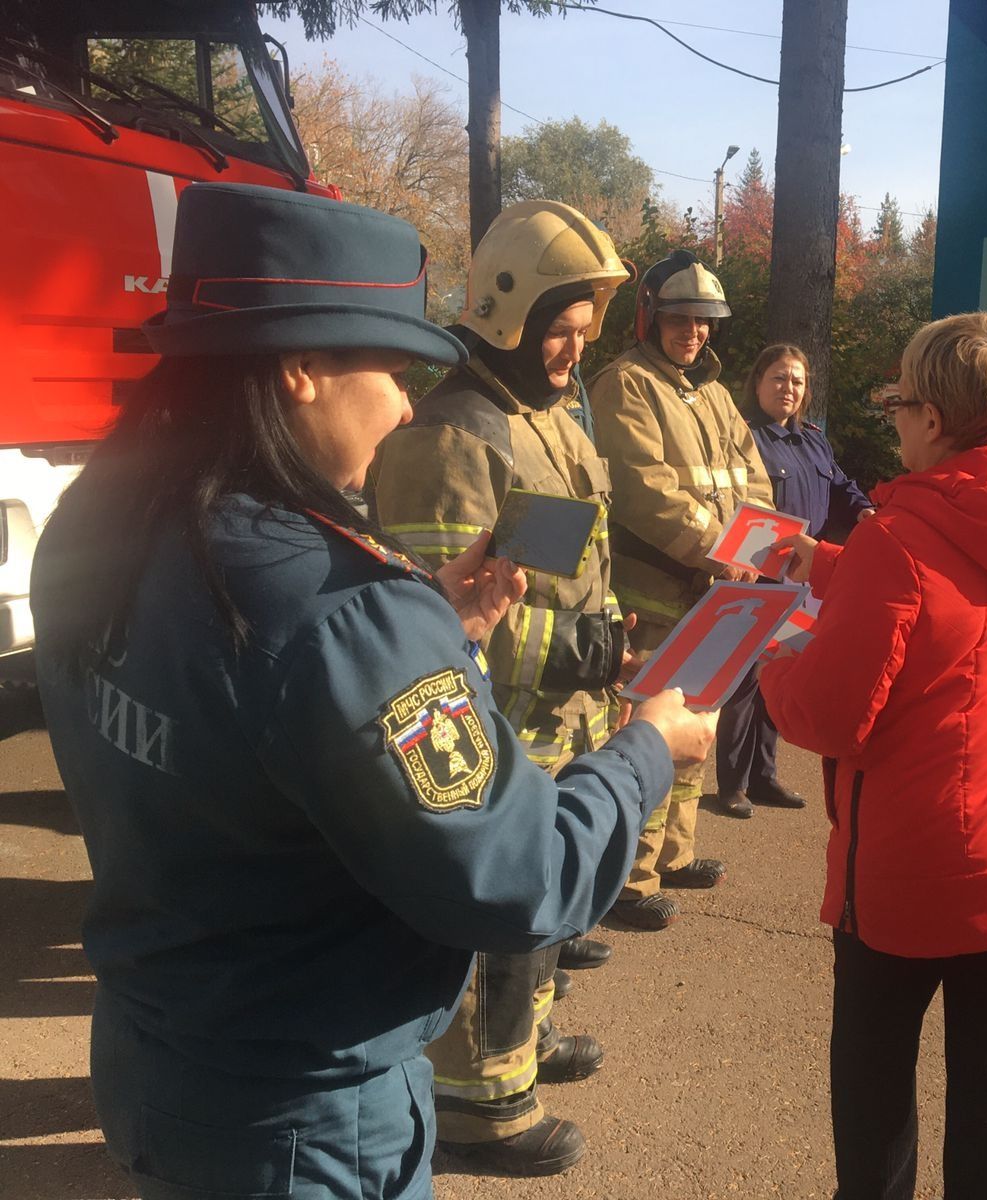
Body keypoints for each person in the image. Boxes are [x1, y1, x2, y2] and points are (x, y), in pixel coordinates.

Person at [28, 182, 716, 1199]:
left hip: (158, 1054)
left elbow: (259, 721)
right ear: (301, 369)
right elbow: (523, 878)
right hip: (304, 1119)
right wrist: (650, 747)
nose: (403, 403)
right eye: (389, 368)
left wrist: (441, 623)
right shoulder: (346, 608)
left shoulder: (99, 520)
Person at [760, 312, 987, 1200]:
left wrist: (762, 656)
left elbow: (832, 715)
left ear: (935, 422)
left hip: (917, 871)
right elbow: (959, 596)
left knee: (874, 1104)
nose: (895, 418)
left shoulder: (899, 538)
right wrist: (823, 562)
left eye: (900, 402)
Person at [370, 200, 631, 1173]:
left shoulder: (536, 417)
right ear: (505, 314)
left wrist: (602, 640)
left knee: (538, 912)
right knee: (498, 909)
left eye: (582, 332)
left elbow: (551, 559)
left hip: (551, 714)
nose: (571, 350)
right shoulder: (459, 432)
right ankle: (479, 1102)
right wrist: (573, 656)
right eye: (559, 329)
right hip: (501, 724)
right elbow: (436, 626)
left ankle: (528, 1038)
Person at [588, 250, 774, 929]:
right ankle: (628, 882)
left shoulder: (717, 395)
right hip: (656, 589)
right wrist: (722, 552)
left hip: (713, 590)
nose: (692, 333)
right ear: (652, 320)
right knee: (647, 727)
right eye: (679, 320)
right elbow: (644, 491)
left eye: (702, 322)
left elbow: (754, 482)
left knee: (696, 721)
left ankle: (673, 854)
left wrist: (751, 554)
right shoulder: (625, 386)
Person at [712, 344, 874, 818]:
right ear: (758, 382)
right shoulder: (743, 437)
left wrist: (864, 508)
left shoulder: (814, 439)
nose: (788, 388)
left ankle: (764, 777)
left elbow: (840, 485)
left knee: (780, 674)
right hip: (759, 572)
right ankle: (731, 784)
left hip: (804, 578)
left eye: (797, 381)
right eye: (779, 378)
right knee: (745, 680)